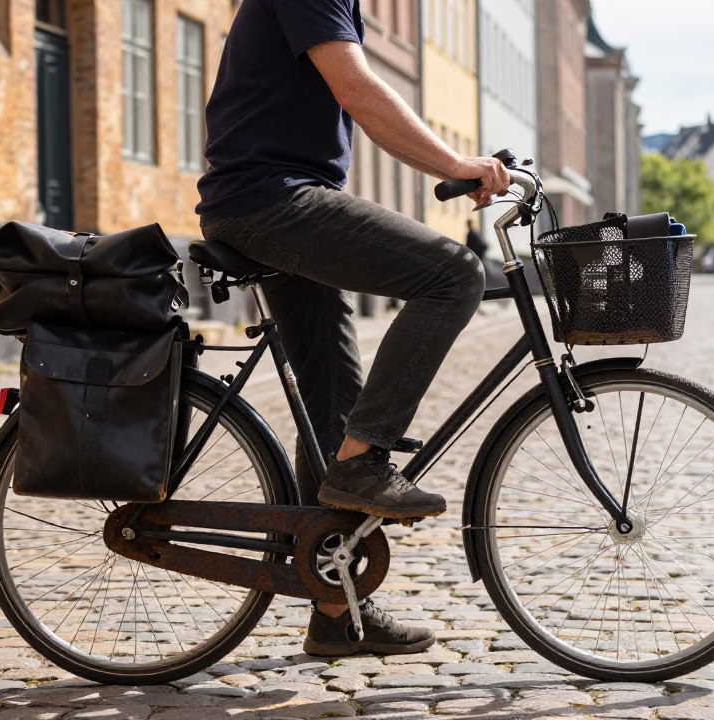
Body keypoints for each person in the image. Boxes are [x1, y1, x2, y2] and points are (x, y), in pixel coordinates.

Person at [196, 0, 510, 656]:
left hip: (280, 200)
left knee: (333, 405)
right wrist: (455, 163)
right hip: (271, 201)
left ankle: (337, 612)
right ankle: (364, 460)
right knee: (454, 274)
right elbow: (358, 90)